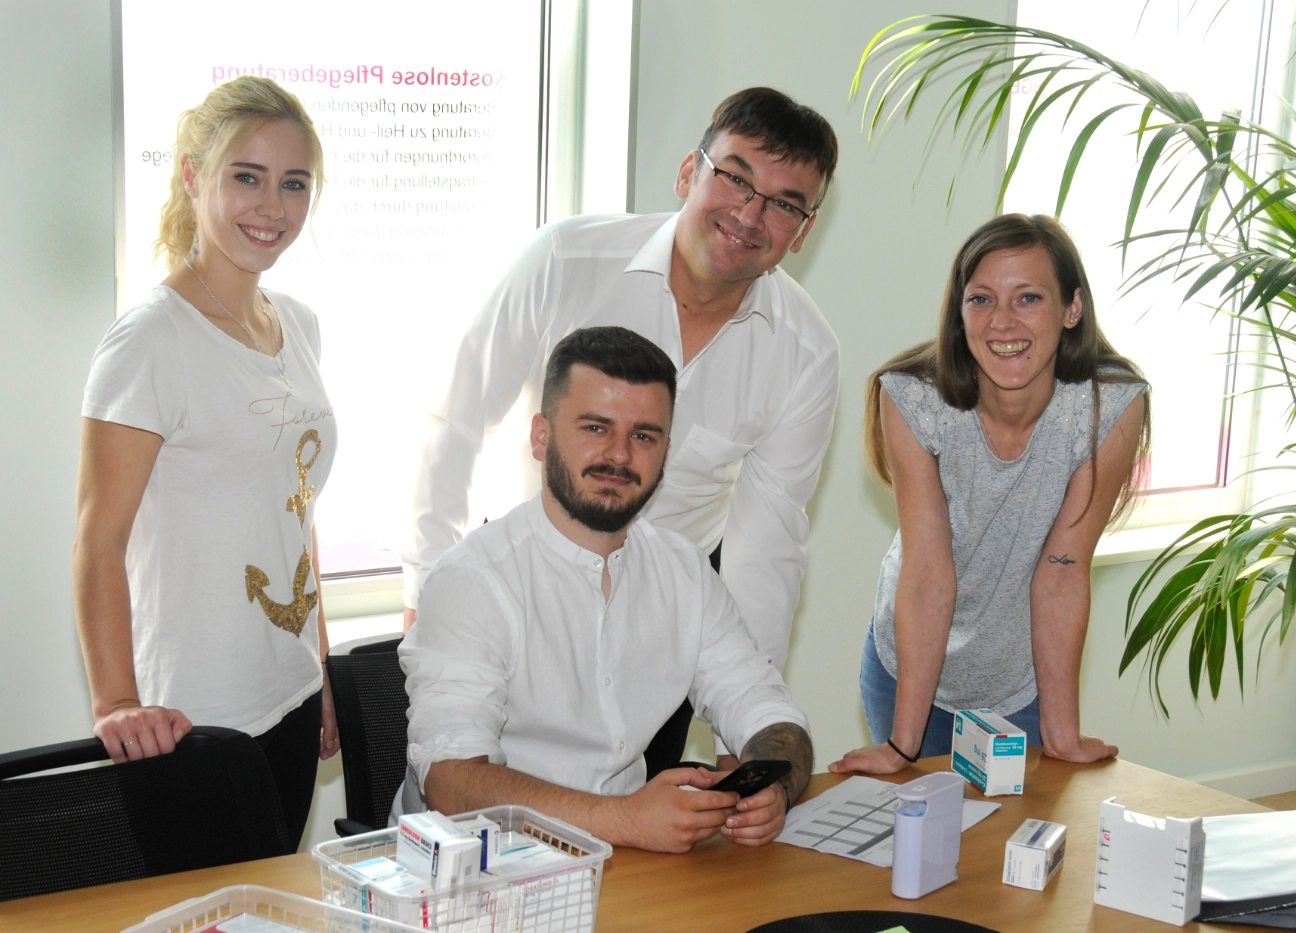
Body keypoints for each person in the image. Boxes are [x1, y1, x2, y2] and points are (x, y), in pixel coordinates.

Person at [402, 87, 840, 771]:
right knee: (488, 793)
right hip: (525, 592)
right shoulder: (564, 262)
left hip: (662, 625)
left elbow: (767, 551)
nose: (750, 215)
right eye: (735, 178)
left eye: (785, 204)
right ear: (689, 172)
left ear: (804, 230)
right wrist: (429, 589)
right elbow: (456, 422)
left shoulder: (804, 351)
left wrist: (744, 741)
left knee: (642, 815)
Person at [399, 327, 813, 853]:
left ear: (666, 452)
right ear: (541, 437)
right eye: (596, 427)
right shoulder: (473, 580)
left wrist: (774, 787)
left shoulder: (684, 572)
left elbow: (768, 711)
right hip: (478, 868)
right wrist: (623, 819)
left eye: (644, 436)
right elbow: (451, 781)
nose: (619, 456)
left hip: (623, 863)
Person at [74, 75, 337, 844]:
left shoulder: (299, 325)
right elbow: (97, 539)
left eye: (294, 183)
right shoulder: (150, 340)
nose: (272, 207)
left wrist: (319, 669)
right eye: (247, 177)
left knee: (273, 901)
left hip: (291, 693)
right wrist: (117, 702)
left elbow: (295, 512)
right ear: (193, 176)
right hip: (193, 717)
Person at [830, 214, 1150, 775]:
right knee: (916, 824)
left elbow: (1061, 573)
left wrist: (1062, 735)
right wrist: (902, 747)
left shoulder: (1109, 406)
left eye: (1029, 297)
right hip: (909, 671)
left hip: (1019, 679)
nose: (1002, 322)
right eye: (981, 300)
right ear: (959, 312)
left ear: (1072, 308)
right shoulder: (912, 398)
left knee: (1018, 827)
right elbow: (928, 575)